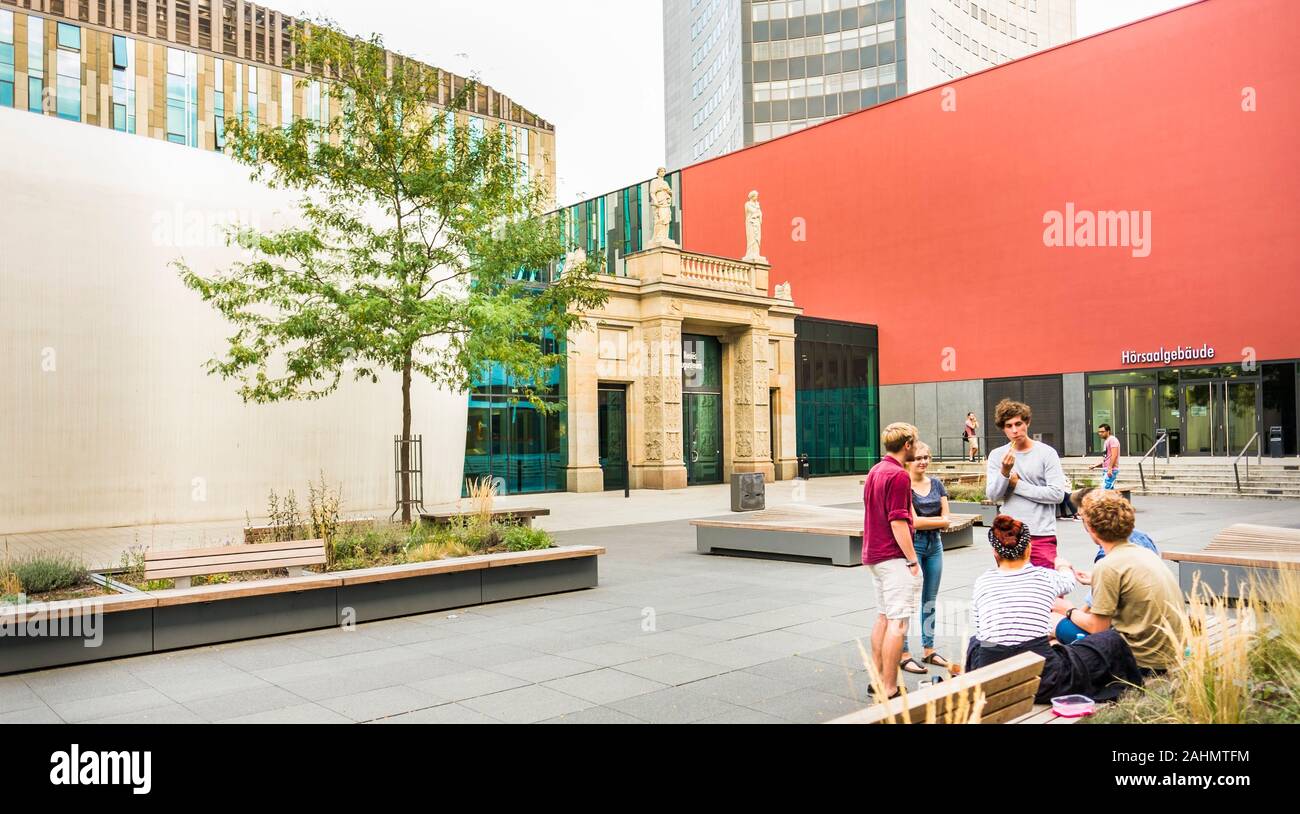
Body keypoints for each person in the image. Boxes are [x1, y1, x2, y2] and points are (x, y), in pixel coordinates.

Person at [965, 515, 1144, 703]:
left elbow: (981, 628)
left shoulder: (982, 582)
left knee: (975, 641)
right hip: (1043, 680)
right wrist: (1062, 566)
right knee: (1110, 639)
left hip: (992, 678)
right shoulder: (1046, 577)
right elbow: (1068, 582)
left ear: (995, 552)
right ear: (1029, 548)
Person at [1052, 491, 1186, 675]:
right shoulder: (1142, 553)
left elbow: (1097, 628)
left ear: (1090, 527)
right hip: (1169, 653)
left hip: (1140, 662)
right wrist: (1096, 580)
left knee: (1053, 622)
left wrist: (1068, 609)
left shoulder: (1108, 565)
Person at [863, 422, 923, 699]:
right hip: (893, 557)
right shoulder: (899, 476)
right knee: (898, 623)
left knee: (883, 618)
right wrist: (912, 560)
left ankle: (876, 680)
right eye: (915, 443)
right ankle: (888, 687)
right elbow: (898, 521)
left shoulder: (875, 470)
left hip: (874, 555)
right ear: (907, 444)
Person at [985, 399, 1069, 569]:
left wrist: (1017, 485)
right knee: (1011, 584)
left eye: (1018, 424)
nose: (1014, 430)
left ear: (1027, 423)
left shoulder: (1047, 453)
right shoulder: (997, 455)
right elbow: (993, 496)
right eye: (1009, 426)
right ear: (1003, 428)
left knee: (1044, 582)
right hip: (1008, 534)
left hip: (1040, 533)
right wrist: (1004, 472)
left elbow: (1057, 494)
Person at [898, 442, 954, 675]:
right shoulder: (904, 486)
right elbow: (914, 522)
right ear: (909, 461)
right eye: (917, 458)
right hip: (915, 545)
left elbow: (947, 518)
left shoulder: (937, 484)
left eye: (925, 457)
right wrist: (939, 521)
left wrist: (934, 522)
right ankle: (903, 653)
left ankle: (928, 649)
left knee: (929, 599)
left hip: (935, 545)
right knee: (907, 601)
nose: (922, 462)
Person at [1091, 424, 1122, 490]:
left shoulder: (1112, 440)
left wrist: (1110, 468)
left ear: (1108, 431)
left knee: (1105, 490)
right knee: (1109, 492)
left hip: (1111, 470)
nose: (1100, 433)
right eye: (1099, 432)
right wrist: (1095, 465)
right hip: (1107, 469)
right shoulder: (1106, 441)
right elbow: (1106, 458)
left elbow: (1114, 455)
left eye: (1102, 432)